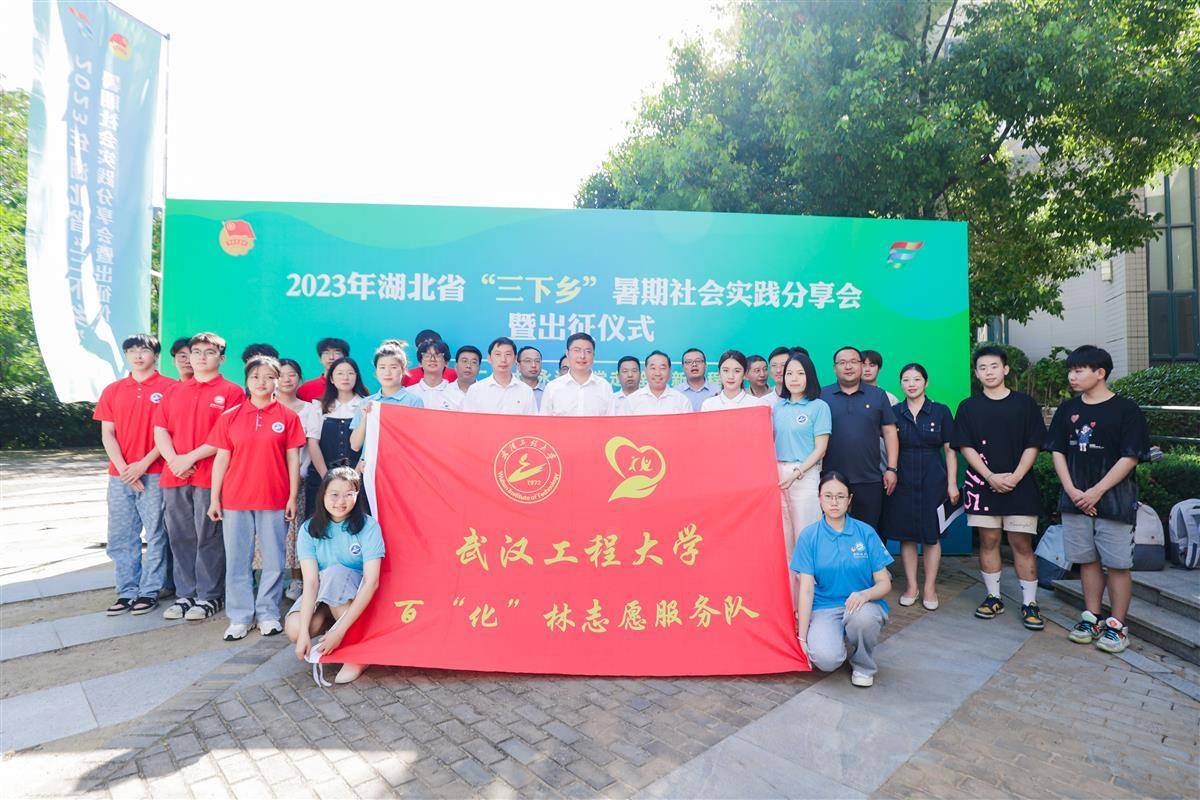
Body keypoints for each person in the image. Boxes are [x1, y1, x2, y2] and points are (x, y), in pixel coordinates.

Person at [1049, 346, 1149, 654]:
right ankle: (1091, 618)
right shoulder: (1067, 409)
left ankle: (1117, 626)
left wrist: (1096, 491)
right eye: (1070, 370)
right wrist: (1072, 490)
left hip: (1114, 501)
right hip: (1075, 499)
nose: (1072, 376)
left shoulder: (1126, 410)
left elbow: (1130, 456)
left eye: (1079, 370)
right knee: (1087, 560)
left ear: (1100, 373)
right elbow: (1057, 451)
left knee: (1117, 564)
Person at [207, 356, 305, 641]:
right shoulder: (230, 416)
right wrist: (215, 498)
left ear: (277, 380)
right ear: (247, 381)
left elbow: (293, 459)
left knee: (274, 560)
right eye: (255, 377)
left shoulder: (288, 417)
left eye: (268, 377)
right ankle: (240, 616)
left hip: (274, 498)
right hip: (235, 499)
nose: (262, 382)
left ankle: (268, 613)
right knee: (238, 559)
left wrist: (292, 496)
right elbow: (221, 459)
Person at [951, 345, 1047, 629]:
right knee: (989, 540)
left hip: (1021, 485)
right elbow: (965, 446)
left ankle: (1030, 603)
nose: (988, 372)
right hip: (982, 486)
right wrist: (990, 476)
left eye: (994, 366)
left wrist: (1016, 476)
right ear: (976, 373)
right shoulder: (968, 407)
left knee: (1021, 543)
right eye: (982, 368)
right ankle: (994, 597)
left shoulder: (1025, 404)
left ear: (1005, 369)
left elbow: (1033, 443)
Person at [153, 333, 245, 622]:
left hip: (211, 477)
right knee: (180, 536)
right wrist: (174, 461)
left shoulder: (232, 392)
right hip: (174, 476)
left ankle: (210, 595)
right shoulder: (174, 391)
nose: (202, 357)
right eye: (196, 352)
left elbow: (226, 436)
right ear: (189, 357)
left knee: (209, 536)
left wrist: (189, 458)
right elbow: (160, 430)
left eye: (209, 352)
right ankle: (185, 594)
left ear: (222, 358)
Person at [94, 334, 178, 616]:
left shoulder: (170, 388)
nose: (138, 356)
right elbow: (108, 433)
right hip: (120, 476)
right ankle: (126, 590)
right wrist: (124, 469)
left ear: (156, 355)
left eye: (144, 350)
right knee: (121, 535)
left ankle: (150, 590)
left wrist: (142, 464)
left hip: (155, 472)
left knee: (156, 534)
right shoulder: (113, 390)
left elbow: (170, 433)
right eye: (131, 351)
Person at [792, 472, 893, 687]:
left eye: (840, 496)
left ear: (849, 499)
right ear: (819, 499)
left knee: (863, 620)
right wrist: (802, 637)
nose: (834, 502)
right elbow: (807, 590)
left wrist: (865, 594)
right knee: (826, 660)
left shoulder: (865, 532)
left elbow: (885, 583)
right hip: (825, 607)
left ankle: (863, 665)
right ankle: (838, 638)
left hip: (861, 605)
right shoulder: (809, 536)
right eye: (828, 496)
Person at [286, 467, 384, 685]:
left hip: (356, 596)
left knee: (336, 573)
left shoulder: (368, 526)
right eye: (334, 494)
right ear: (323, 495)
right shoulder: (308, 529)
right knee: (295, 628)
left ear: (357, 495)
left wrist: (339, 632)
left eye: (349, 494)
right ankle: (330, 620)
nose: (341, 501)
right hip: (324, 591)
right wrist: (304, 635)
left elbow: (371, 582)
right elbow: (311, 582)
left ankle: (356, 653)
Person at [878, 363, 958, 611]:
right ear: (900, 384)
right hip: (902, 479)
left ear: (926, 382)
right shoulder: (894, 412)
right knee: (908, 535)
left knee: (932, 536)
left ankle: (929, 587)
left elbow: (950, 451)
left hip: (933, 479)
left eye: (916, 379)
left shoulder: (941, 411)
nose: (911, 384)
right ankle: (912, 586)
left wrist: (952, 483)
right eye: (906, 380)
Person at [773, 350, 832, 614]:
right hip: (777, 477)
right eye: (789, 373)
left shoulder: (818, 407)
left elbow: (821, 449)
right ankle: (790, 605)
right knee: (784, 544)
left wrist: (797, 473)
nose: (794, 378)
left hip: (804, 477)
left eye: (800, 373)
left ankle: (811, 605)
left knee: (805, 542)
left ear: (809, 376)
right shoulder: (777, 407)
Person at [820, 346, 899, 532]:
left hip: (869, 478)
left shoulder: (878, 395)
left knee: (868, 531)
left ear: (861, 365)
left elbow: (890, 432)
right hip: (831, 479)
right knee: (833, 531)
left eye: (853, 362)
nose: (848, 366)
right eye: (842, 362)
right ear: (834, 368)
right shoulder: (822, 396)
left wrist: (892, 469)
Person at [273, 358, 323, 600]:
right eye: (281, 375)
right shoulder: (264, 407)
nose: (286, 379)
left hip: (299, 480)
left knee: (296, 529)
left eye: (292, 374)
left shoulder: (311, 409)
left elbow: (312, 446)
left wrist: (300, 473)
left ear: (300, 379)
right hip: (268, 479)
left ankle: (296, 579)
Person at [349, 341, 425, 483]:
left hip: (402, 473)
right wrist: (365, 417)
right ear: (376, 372)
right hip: (370, 471)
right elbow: (355, 445)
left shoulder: (413, 402)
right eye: (382, 367)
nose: (387, 372)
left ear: (403, 369)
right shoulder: (367, 402)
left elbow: (417, 443)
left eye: (393, 367)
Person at [305, 356, 370, 517]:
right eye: (340, 373)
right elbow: (313, 443)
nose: (345, 377)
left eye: (350, 373)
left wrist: (355, 478)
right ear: (331, 379)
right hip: (322, 476)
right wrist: (326, 478)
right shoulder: (318, 406)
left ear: (357, 377)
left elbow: (369, 444)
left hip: (360, 476)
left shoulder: (367, 405)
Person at [541, 333, 613, 416]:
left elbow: (612, 422)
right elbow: (543, 422)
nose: (582, 356)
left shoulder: (604, 387)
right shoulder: (552, 387)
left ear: (593, 355)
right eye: (577, 350)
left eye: (588, 351)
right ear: (567, 354)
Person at [463, 337, 537, 414]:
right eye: (498, 354)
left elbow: (533, 420)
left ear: (515, 358)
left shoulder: (526, 391)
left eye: (508, 354)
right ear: (489, 358)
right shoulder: (476, 390)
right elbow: (467, 420)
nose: (503, 360)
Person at [616, 351, 691, 415]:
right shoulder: (631, 401)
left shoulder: (682, 401)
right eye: (653, 368)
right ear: (645, 371)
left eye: (662, 368)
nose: (657, 373)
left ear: (670, 371)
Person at [408, 339, 458, 410]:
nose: (432, 360)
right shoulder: (408, 393)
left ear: (446, 363)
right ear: (420, 363)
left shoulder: (456, 394)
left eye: (437, 355)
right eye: (427, 356)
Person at [297, 337, 350, 403]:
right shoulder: (306, 389)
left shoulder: (354, 387)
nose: (331, 357)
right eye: (326, 353)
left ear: (345, 358)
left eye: (337, 353)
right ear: (320, 359)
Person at [444, 345, 482, 409]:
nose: (468, 366)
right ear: (456, 366)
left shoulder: (485, 393)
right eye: (464, 361)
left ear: (479, 368)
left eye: (474, 362)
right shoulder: (444, 391)